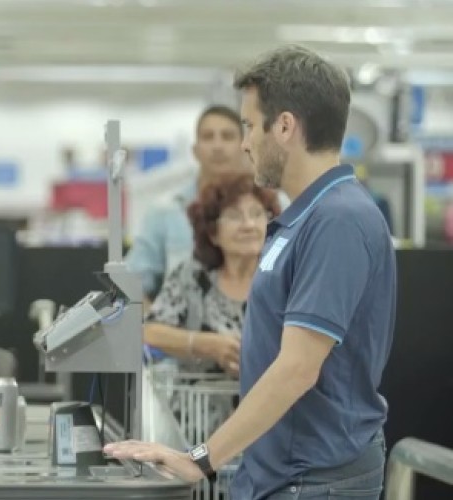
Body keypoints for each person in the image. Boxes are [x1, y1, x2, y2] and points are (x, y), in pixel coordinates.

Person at [106, 45, 396, 500]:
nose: (243, 143)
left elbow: (298, 369)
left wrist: (198, 459)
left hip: (312, 477)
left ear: (283, 126)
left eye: (246, 125)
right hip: (276, 469)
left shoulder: (338, 220)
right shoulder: (301, 218)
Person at [145, 171, 281, 379]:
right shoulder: (192, 277)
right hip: (197, 407)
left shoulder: (284, 279)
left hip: (269, 407)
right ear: (212, 233)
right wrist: (207, 345)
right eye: (235, 216)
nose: (249, 225)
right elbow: (150, 332)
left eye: (257, 214)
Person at [127, 105, 249, 302]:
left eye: (227, 136)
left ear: (245, 147)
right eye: (208, 137)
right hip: (182, 329)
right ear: (195, 150)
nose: (217, 146)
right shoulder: (166, 210)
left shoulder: (271, 209)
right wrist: (153, 326)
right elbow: (132, 282)